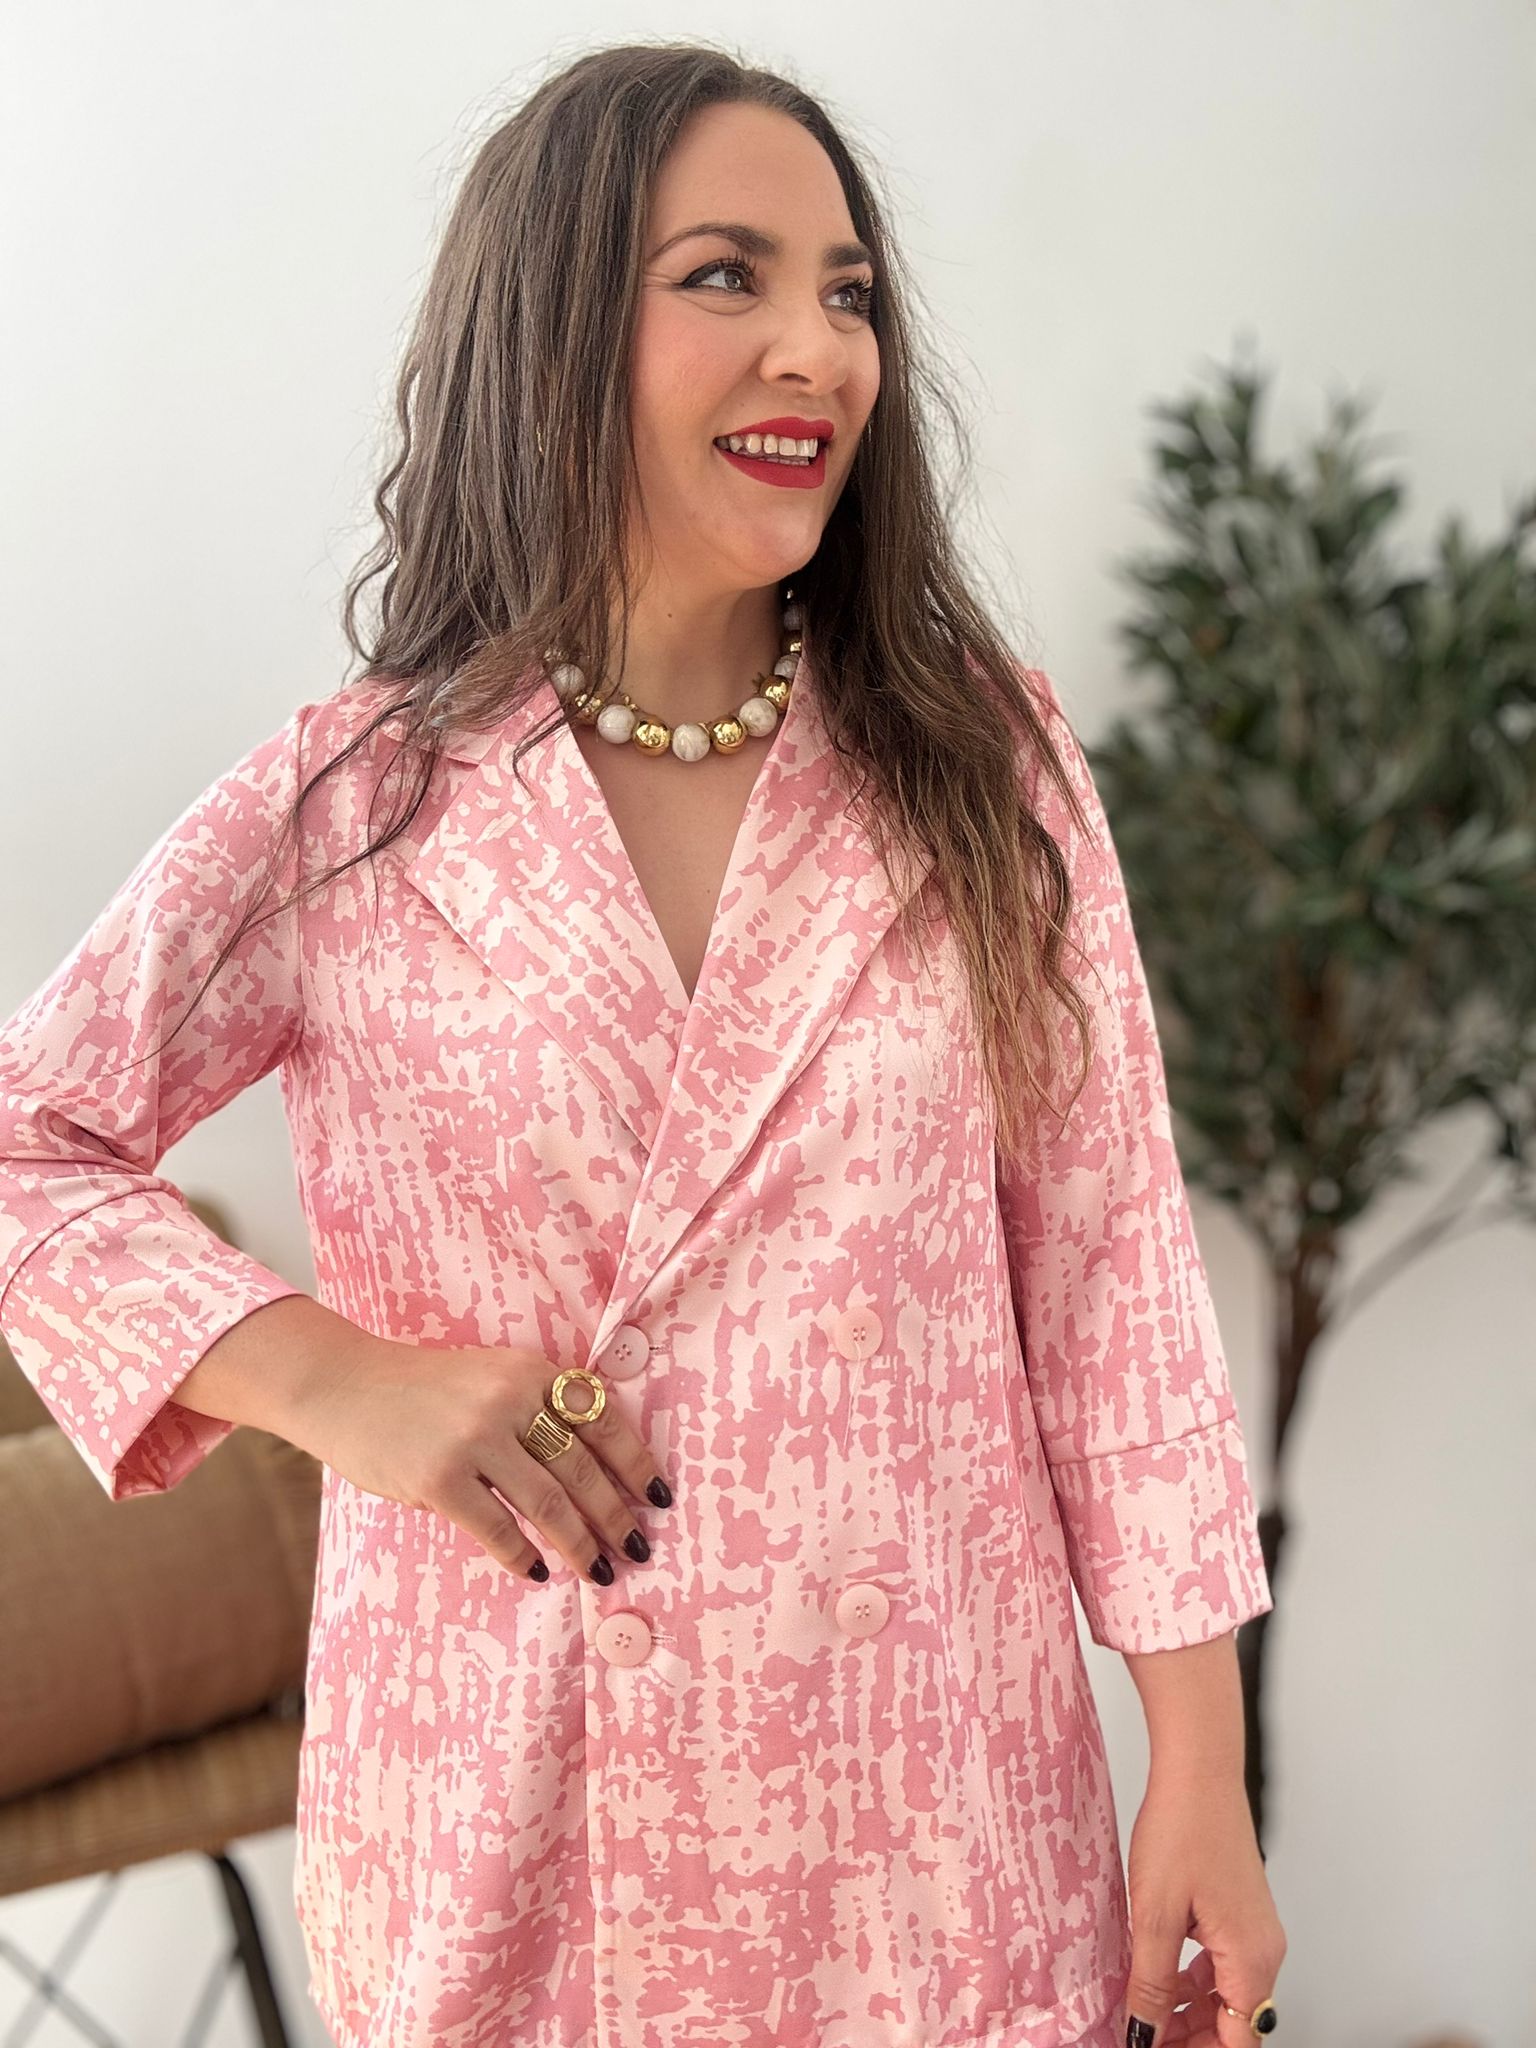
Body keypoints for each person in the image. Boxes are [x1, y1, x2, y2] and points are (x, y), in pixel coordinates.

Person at [0, 39, 1286, 2048]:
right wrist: (340, 1383)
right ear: (553, 325)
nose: (817, 349)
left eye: (848, 292)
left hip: (934, 1827)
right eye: (725, 276)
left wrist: (1200, 1762)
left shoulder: (986, 765)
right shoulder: (356, 810)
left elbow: (1111, 1277)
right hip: (508, 1822)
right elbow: (28, 1144)